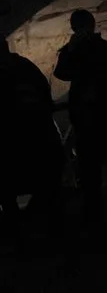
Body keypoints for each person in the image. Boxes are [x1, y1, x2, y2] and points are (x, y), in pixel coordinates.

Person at [53, 9, 107, 223]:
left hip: (95, 117)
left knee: (97, 167)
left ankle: (98, 210)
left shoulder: (90, 51)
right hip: (101, 116)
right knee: (104, 166)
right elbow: (62, 73)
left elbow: (62, 73)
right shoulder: (106, 49)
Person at [0, 38, 64, 242]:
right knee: (41, 186)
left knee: (9, 191)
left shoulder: (17, 70)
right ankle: (47, 231)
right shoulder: (25, 67)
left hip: (14, 143)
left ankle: (19, 235)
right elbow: (44, 94)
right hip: (34, 139)